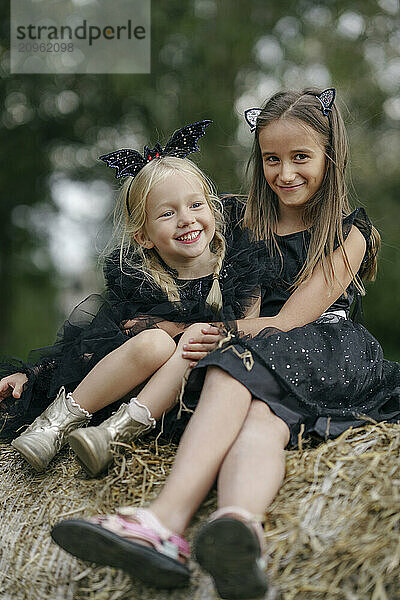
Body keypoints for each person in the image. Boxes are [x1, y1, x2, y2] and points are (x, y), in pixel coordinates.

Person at [51, 89, 400, 599]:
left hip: (330, 348)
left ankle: (164, 520)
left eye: (301, 157)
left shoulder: (350, 234)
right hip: (267, 356)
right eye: (272, 159)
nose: (285, 173)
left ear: (331, 155)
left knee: (228, 363)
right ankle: (240, 529)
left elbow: (289, 321)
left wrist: (219, 336)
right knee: (260, 425)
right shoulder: (243, 221)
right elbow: (214, 289)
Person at [0, 120, 261, 476]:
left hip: (195, 392)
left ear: (212, 209)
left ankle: (112, 437)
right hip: (128, 386)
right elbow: (90, 346)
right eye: (168, 213)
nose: (186, 220)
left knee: (192, 343)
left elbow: (251, 330)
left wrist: (183, 331)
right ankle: (54, 426)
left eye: (195, 205)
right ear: (144, 236)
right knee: (152, 342)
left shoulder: (242, 268)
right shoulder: (140, 283)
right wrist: (32, 376)